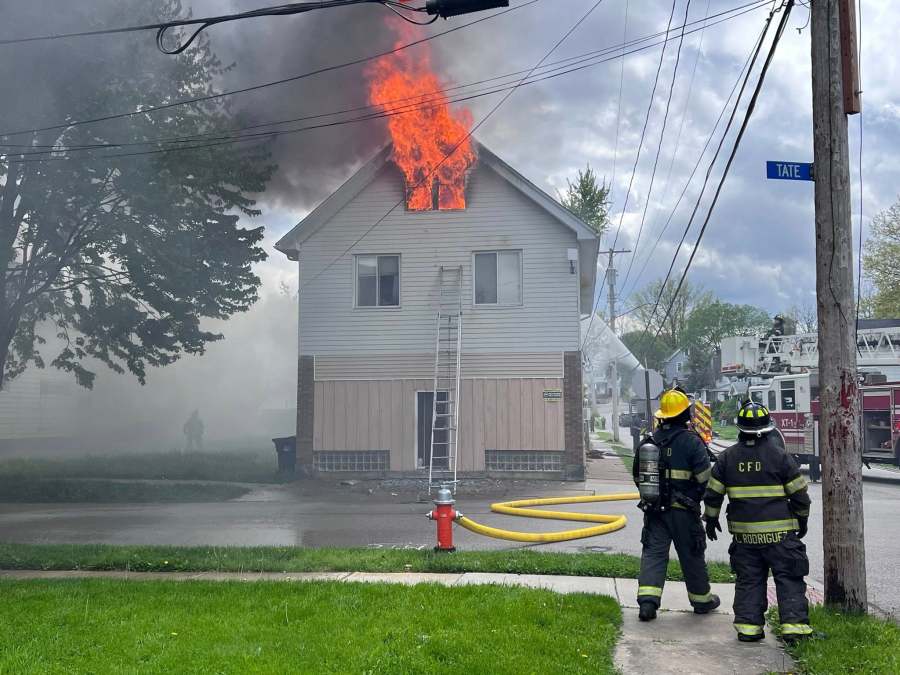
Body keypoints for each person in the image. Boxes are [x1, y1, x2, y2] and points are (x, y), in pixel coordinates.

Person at [702, 400, 812, 644]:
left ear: (740, 428)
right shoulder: (781, 457)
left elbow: (713, 495)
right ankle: (794, 629)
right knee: (789, 578)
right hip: (781, 537)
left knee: (749, 580)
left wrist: (710, 519)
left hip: (745, 538)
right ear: (768, 429)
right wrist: (801, 520)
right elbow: (800, 495)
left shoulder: (727, 458)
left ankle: (748, 629)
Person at [633, 388, 721, 621]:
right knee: (692, 555)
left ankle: (647, 604)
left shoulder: (649, 442)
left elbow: (638, 477)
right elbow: (706, 481)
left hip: (654, 511)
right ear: (685, 415)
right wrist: (697, 501)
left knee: (653, 554)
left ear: (662, 416)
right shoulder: (692, 443)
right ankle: (702, 601)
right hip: (684, 513)